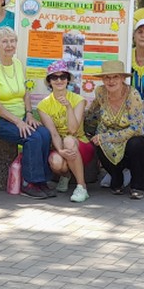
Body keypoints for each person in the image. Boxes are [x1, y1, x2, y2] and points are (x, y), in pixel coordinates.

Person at [0, 27, 53, 198]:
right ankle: (29, 183)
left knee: (44, 134)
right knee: (32, 137)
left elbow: (25, 92)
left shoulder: (18, 63)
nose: (9, 45)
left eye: (12, 41)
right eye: (4, 41)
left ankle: (41, 180)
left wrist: (28, 114)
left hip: (21, 115)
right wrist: (18, 122)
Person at [85, 60, 144, 199]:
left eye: (115, 77)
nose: (111, 81)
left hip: (132, 135)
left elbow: (136, 128)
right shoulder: (100, 92)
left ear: (122, 78)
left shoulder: (132, 95)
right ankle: (116, 177)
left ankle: (137, 184)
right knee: (96, 140)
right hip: (109, 133)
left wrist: (107, 137)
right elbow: (92, 113)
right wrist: (85, 130)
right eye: (107, 77)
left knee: (136, 143)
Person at [37, 61, 94, 203]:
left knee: (69, 139)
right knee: (56, 162)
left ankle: (82, 186)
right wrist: (60, 151)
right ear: (49, 82)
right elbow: (53, 133)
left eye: (63, 76)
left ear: (68, 80)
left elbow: (73, 129)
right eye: (54, 77)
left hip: (80, 144)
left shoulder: (78, 100)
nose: (59, 80)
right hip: (60, 144)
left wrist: (68, 107)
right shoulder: (43, 105)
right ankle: (66, 175)